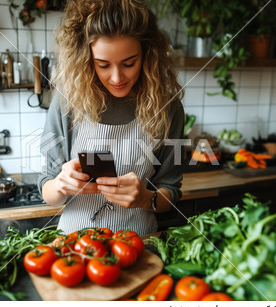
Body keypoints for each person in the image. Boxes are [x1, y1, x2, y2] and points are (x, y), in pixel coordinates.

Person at [37, 0, 185, 235]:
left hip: (139, 243)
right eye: (103, 65)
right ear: (86, 59)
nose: (117, 77)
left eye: (129, 63)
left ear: (147, 54)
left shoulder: (168, 107)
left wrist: (146, 198)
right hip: (75, 246)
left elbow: (171, 190)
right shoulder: (66, 101)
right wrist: (60, 185)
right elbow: (47, 189)